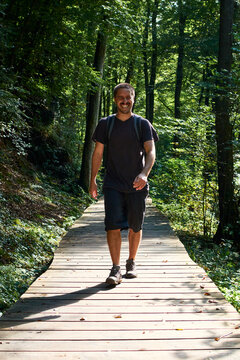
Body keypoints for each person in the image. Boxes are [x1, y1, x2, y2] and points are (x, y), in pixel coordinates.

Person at [89, 83, 158, 285]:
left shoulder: (142, 124)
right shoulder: (106, 124)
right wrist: (93, 179)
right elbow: (98, 154)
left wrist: (144, 174)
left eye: (128, 97)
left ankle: (131, 262)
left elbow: (151, 152)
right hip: (112, 183)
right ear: (115, 100)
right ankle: (115, 269)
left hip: (136, 184)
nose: (125, 101)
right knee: (113, 225)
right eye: (121, 98)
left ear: (133, 99)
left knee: (135, 226)